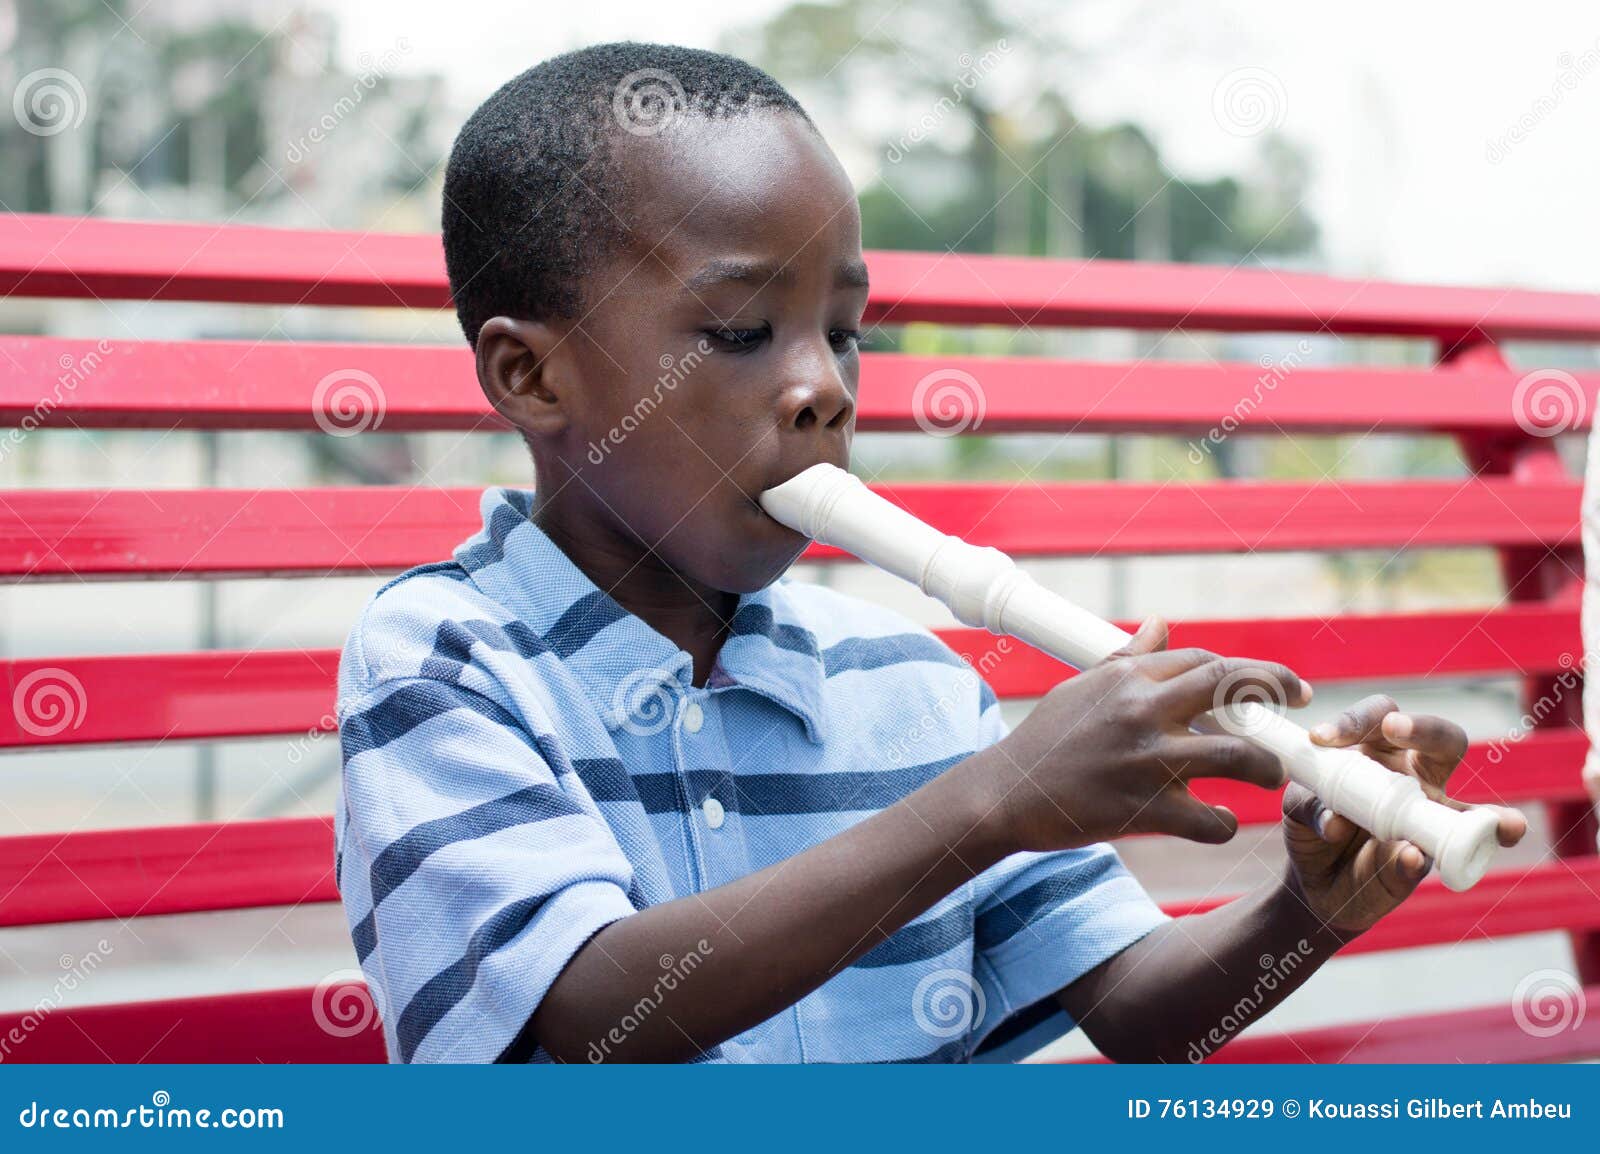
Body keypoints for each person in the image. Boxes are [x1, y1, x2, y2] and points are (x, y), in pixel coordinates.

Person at [332, 41, 1524, 1063]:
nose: (817, 386)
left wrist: (1301, 913)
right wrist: (987, 803)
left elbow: (1136, 1012)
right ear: (532, 374)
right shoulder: (443, 664)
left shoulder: (901, 681)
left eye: (845, 333)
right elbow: (589, 1017)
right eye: (741, 331)